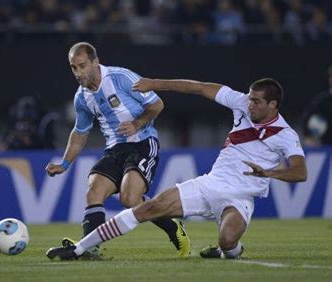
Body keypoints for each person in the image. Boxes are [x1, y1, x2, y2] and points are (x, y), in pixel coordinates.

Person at [46, 77, 307, 260]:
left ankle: (229, 252)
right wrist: (155, 84)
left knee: (227, 239)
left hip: (240, 198)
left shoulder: (285, 135)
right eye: (250, 99)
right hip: (209, 185)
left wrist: (268, 173)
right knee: (145, 207)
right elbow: (198, 88)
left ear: (273, 105)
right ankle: (80, 249)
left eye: (257, 102)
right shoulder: (240, 103)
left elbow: (300, 172)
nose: (250, 105)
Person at [45, 42, 190, 258]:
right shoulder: (81, 97)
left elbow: (157, 104)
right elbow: (80, 132)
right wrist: (64, 163)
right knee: (93, 191)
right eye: (73, 68)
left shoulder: (121, 78)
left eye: (82, 66)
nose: (78, 72)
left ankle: (173, 228)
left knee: (130, 199)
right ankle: (89, 248)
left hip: (142, 143)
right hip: (114, 149)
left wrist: (137, 124)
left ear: (96, 62)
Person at [302, 65, 332, 146]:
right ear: (330, 79)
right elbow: (307, 118)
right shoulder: (321, 100)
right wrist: (308, 137)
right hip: (326, 146)